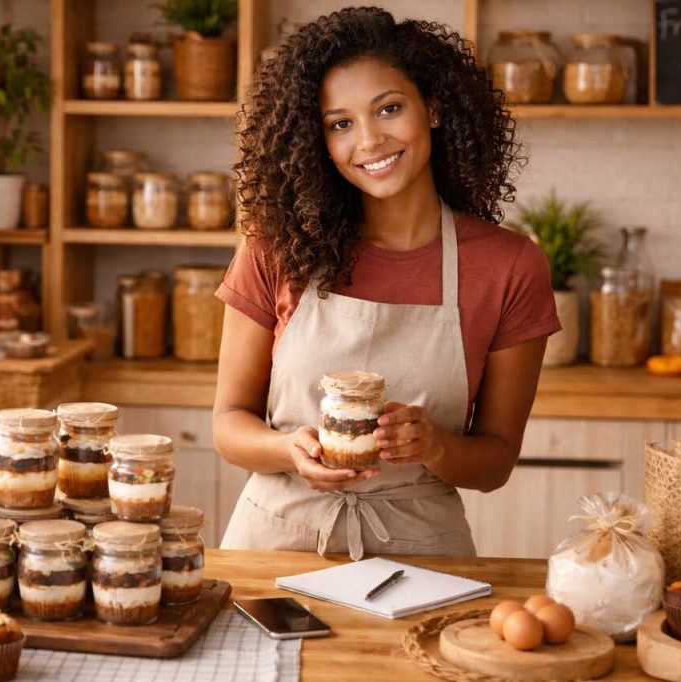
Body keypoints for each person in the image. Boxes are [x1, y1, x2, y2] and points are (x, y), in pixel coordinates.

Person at [212, 7, 560, 560]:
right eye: (340, 123)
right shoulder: (274, 249)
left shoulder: (509, 266)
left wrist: (435, 446)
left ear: (435, 109)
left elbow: (495, 463)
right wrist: (286, 449)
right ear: (317, 141)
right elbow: (228, 424)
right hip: (273, 546)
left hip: (423, 553)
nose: (369, 140)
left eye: (389, 109)